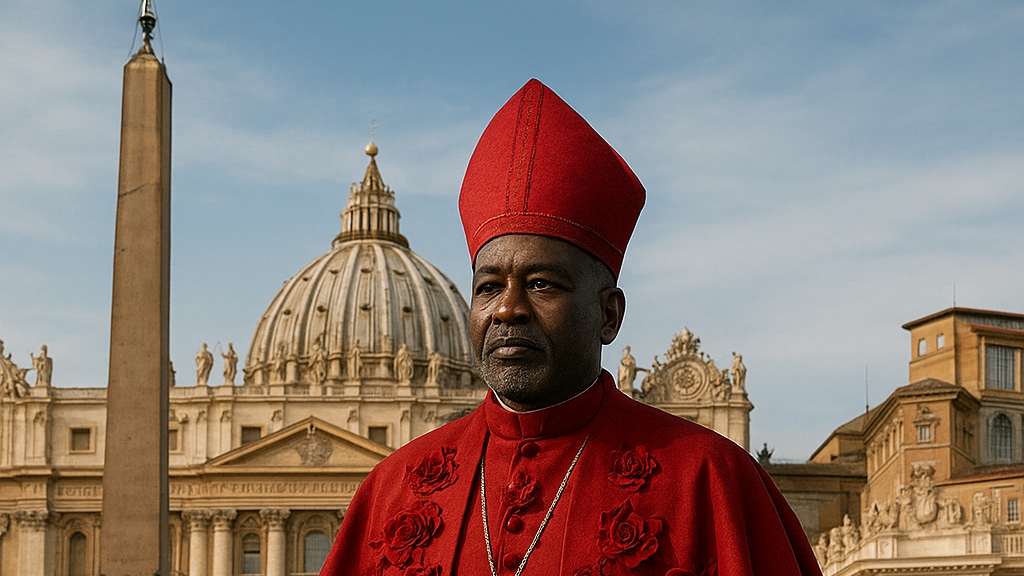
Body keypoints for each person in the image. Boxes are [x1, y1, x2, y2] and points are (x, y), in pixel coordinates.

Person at [321, 79, 820, 576]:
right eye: (488, 287)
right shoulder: (390, 489)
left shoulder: (711, 479)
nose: (507, 310)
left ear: (609, 315)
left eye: (541, 284)